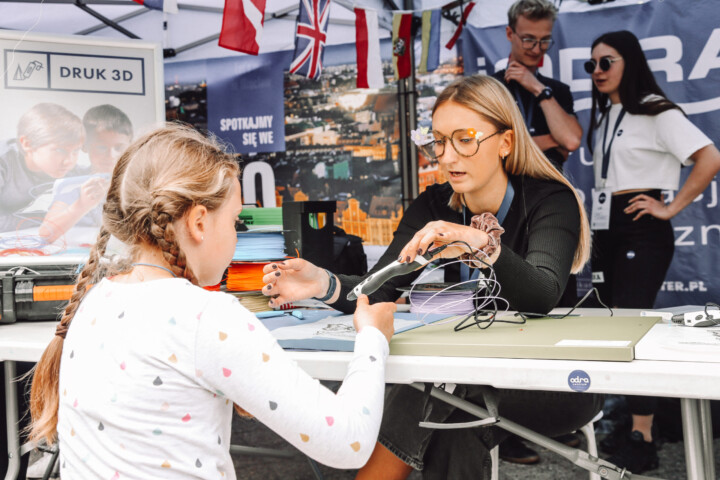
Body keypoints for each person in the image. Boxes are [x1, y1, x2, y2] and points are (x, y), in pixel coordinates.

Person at [261, 75, 603, 479]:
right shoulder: (433, 204)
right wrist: (324, 284)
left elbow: (542, 294)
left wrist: (480, 244)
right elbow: (381, 289)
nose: (448, 157)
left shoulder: (550, 198)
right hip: (465, 368)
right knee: (446, 405)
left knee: (443, 396)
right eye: (439, 141)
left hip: (554, 376)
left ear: (506, 142)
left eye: (465, 138)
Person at [28, 124, 397, 479]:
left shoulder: (95, 301)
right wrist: (372, 340)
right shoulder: (207, 318)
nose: (236, 235)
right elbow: (349, 442)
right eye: (236, 221)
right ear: (199, 223)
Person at [586, 30, 720, 473]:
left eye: (607, 62)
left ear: (630, 63)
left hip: (641, 228)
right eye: (592, 65)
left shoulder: (658, 112)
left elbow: (709, 157)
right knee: (613, 324)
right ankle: (630, 418)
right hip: (607, 227)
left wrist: (670, 207)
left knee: (634, 325)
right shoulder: (606, 115)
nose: (598, 72)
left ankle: (644, 431)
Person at [493, 0, 582, 173]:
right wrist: (551, 140)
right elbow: (490, 150)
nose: (536, 49)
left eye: (544, 41)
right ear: (510, 33)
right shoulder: (489, 88)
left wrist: (538, 89)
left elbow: (570, 140)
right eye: (529, 40)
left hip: (550, 193)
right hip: (505, 194)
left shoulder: (557, 90)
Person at [39, 104, 134, 242]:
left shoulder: (137, 182)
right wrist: (82, 205)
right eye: (101, 147)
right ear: (84, 146)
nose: (110, 155)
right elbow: (45, 233)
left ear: (130, 146)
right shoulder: (74, 181)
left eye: (118, 147)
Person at [0, 103, 84, 233]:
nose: (69, 161)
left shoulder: (67, 168)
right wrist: (46, 219)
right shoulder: (4, 161)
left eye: (75, 151)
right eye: (60, 150)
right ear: (27, 144)